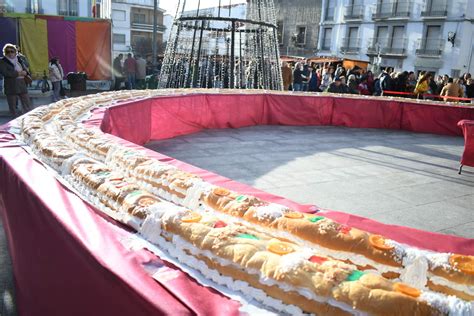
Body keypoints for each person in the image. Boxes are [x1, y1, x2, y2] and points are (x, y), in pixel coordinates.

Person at [0, 43, 32, 116]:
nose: (10, 53)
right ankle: (14, 121)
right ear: (5, 52)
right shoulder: (2, 61)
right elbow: (5, 73)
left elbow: (25, 67)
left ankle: (29, 119)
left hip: (21, 83)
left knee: (27, 104)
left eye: (12, 51)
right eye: (8, 52)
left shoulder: (19, 59)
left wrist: (26, 73)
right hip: (11, 85)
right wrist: (19, 73)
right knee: (13, 106)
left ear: (15, 52)